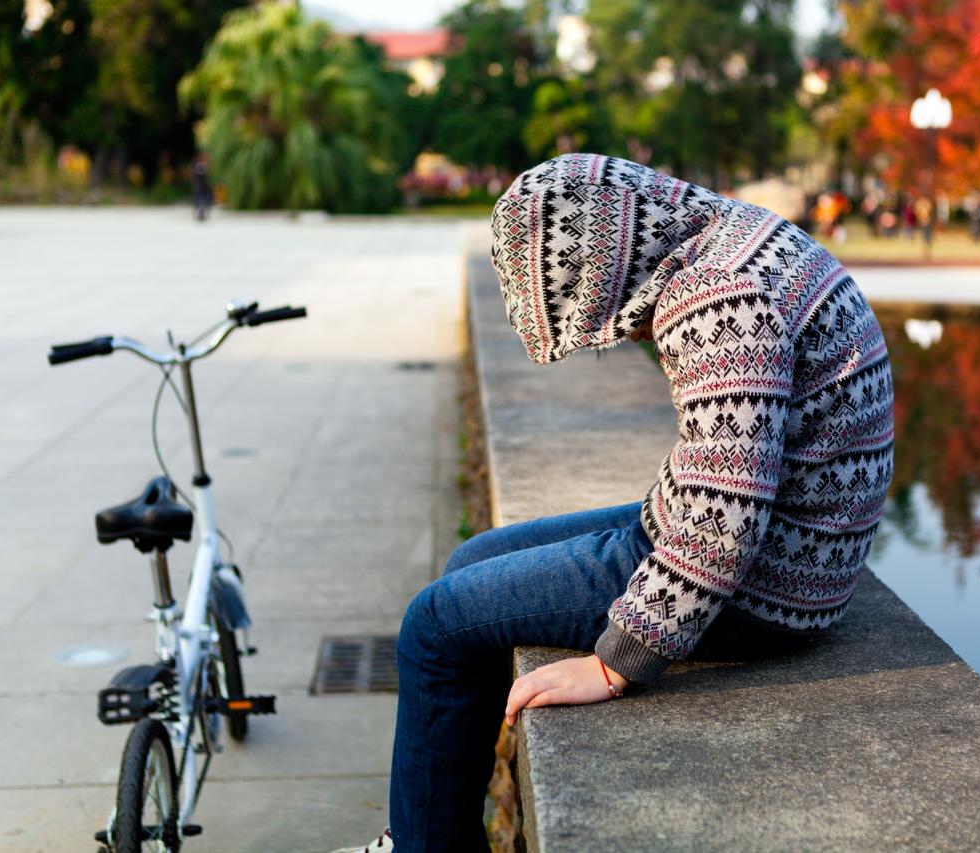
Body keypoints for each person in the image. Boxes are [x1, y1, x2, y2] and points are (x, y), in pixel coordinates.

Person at [336, 154, 895, 853]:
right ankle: (435, 825)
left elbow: (724, 518)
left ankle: (421, 845)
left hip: (766, 583)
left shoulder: (718, 296)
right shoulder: (734, 234)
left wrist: (617, 661)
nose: (623, 336)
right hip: (792, 548)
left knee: (433, 625)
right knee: (470, 562)